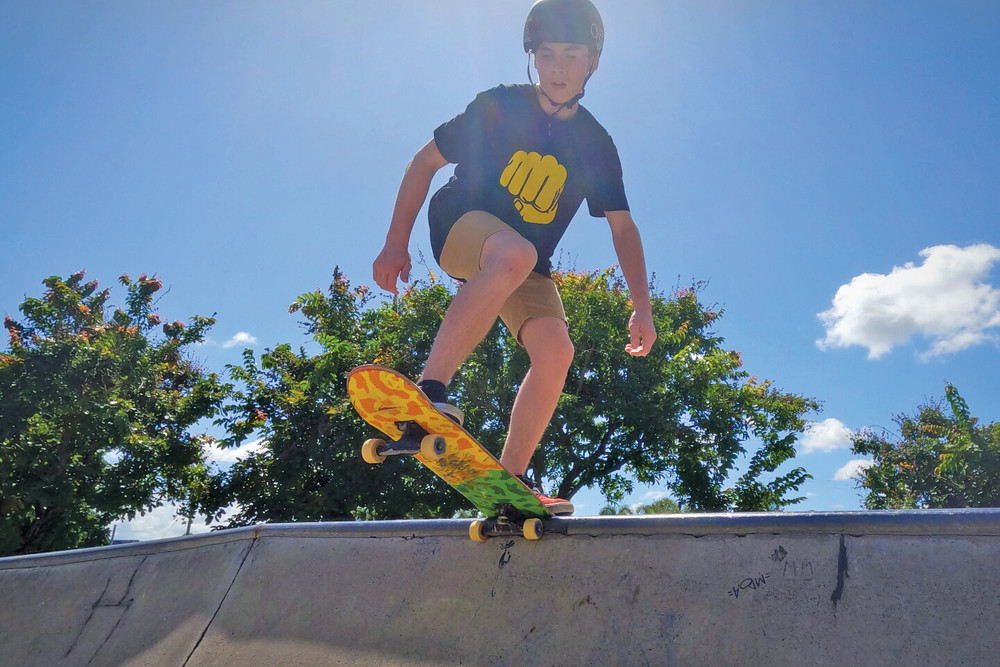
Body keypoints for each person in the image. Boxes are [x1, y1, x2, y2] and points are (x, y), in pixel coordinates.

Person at [372, 0, 656, 515]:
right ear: (533, 59)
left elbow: (623, 225)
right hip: (460, 223)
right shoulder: (499, 104)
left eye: (572, 55)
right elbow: (424, 162)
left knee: (556, 351)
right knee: (514, 253)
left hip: (523, 262)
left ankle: (510, 483)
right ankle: (430, 392)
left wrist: (642, 305)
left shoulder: (595, 143)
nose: (558, 69)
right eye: (546, 55)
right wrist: (396, 242)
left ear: (593, 62)